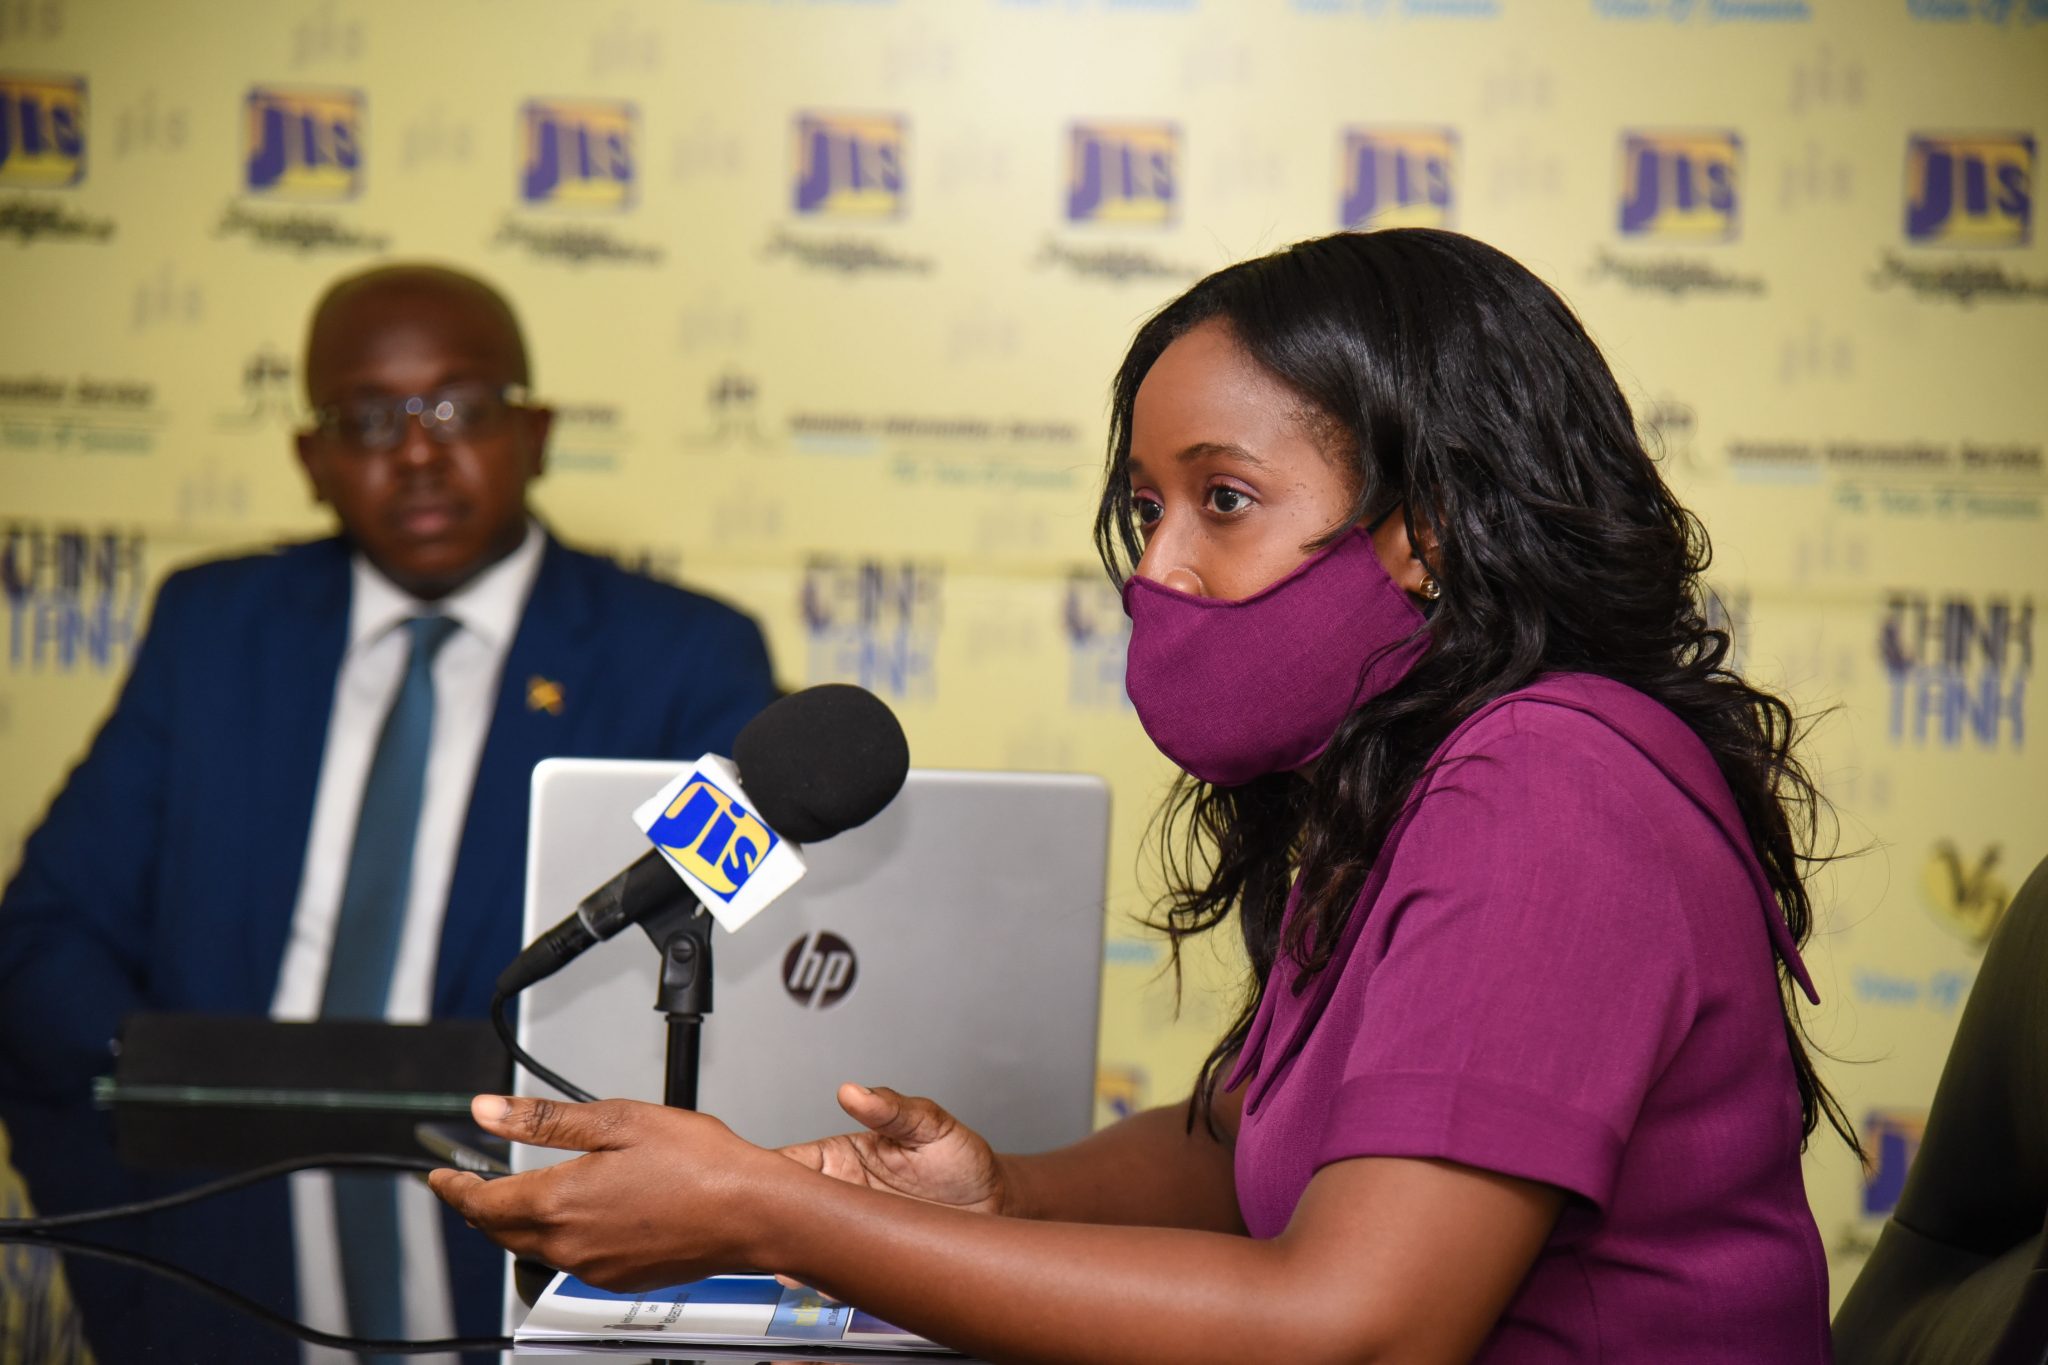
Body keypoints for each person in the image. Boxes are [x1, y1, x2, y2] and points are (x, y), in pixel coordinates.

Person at [430, 230, 1852, 1363]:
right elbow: (1248, 1144)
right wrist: (1009, 1198)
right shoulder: (1399, 784)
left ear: (1428, 529)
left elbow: (1359, 1328)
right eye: (1146, 509)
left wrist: (769, 1211)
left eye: (1221, 499)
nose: (1157, 570)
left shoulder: (1551, 786)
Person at [0, 264, 778, 1358]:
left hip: (520, 1241)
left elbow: (743, 970)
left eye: (459, 407)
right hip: (229, 1230)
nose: (416, 450)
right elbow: (45, 942)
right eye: (369, 417)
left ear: (536, 433)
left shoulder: (683, 658)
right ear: (311, 460)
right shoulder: (216, 631)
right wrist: (184, 1083)